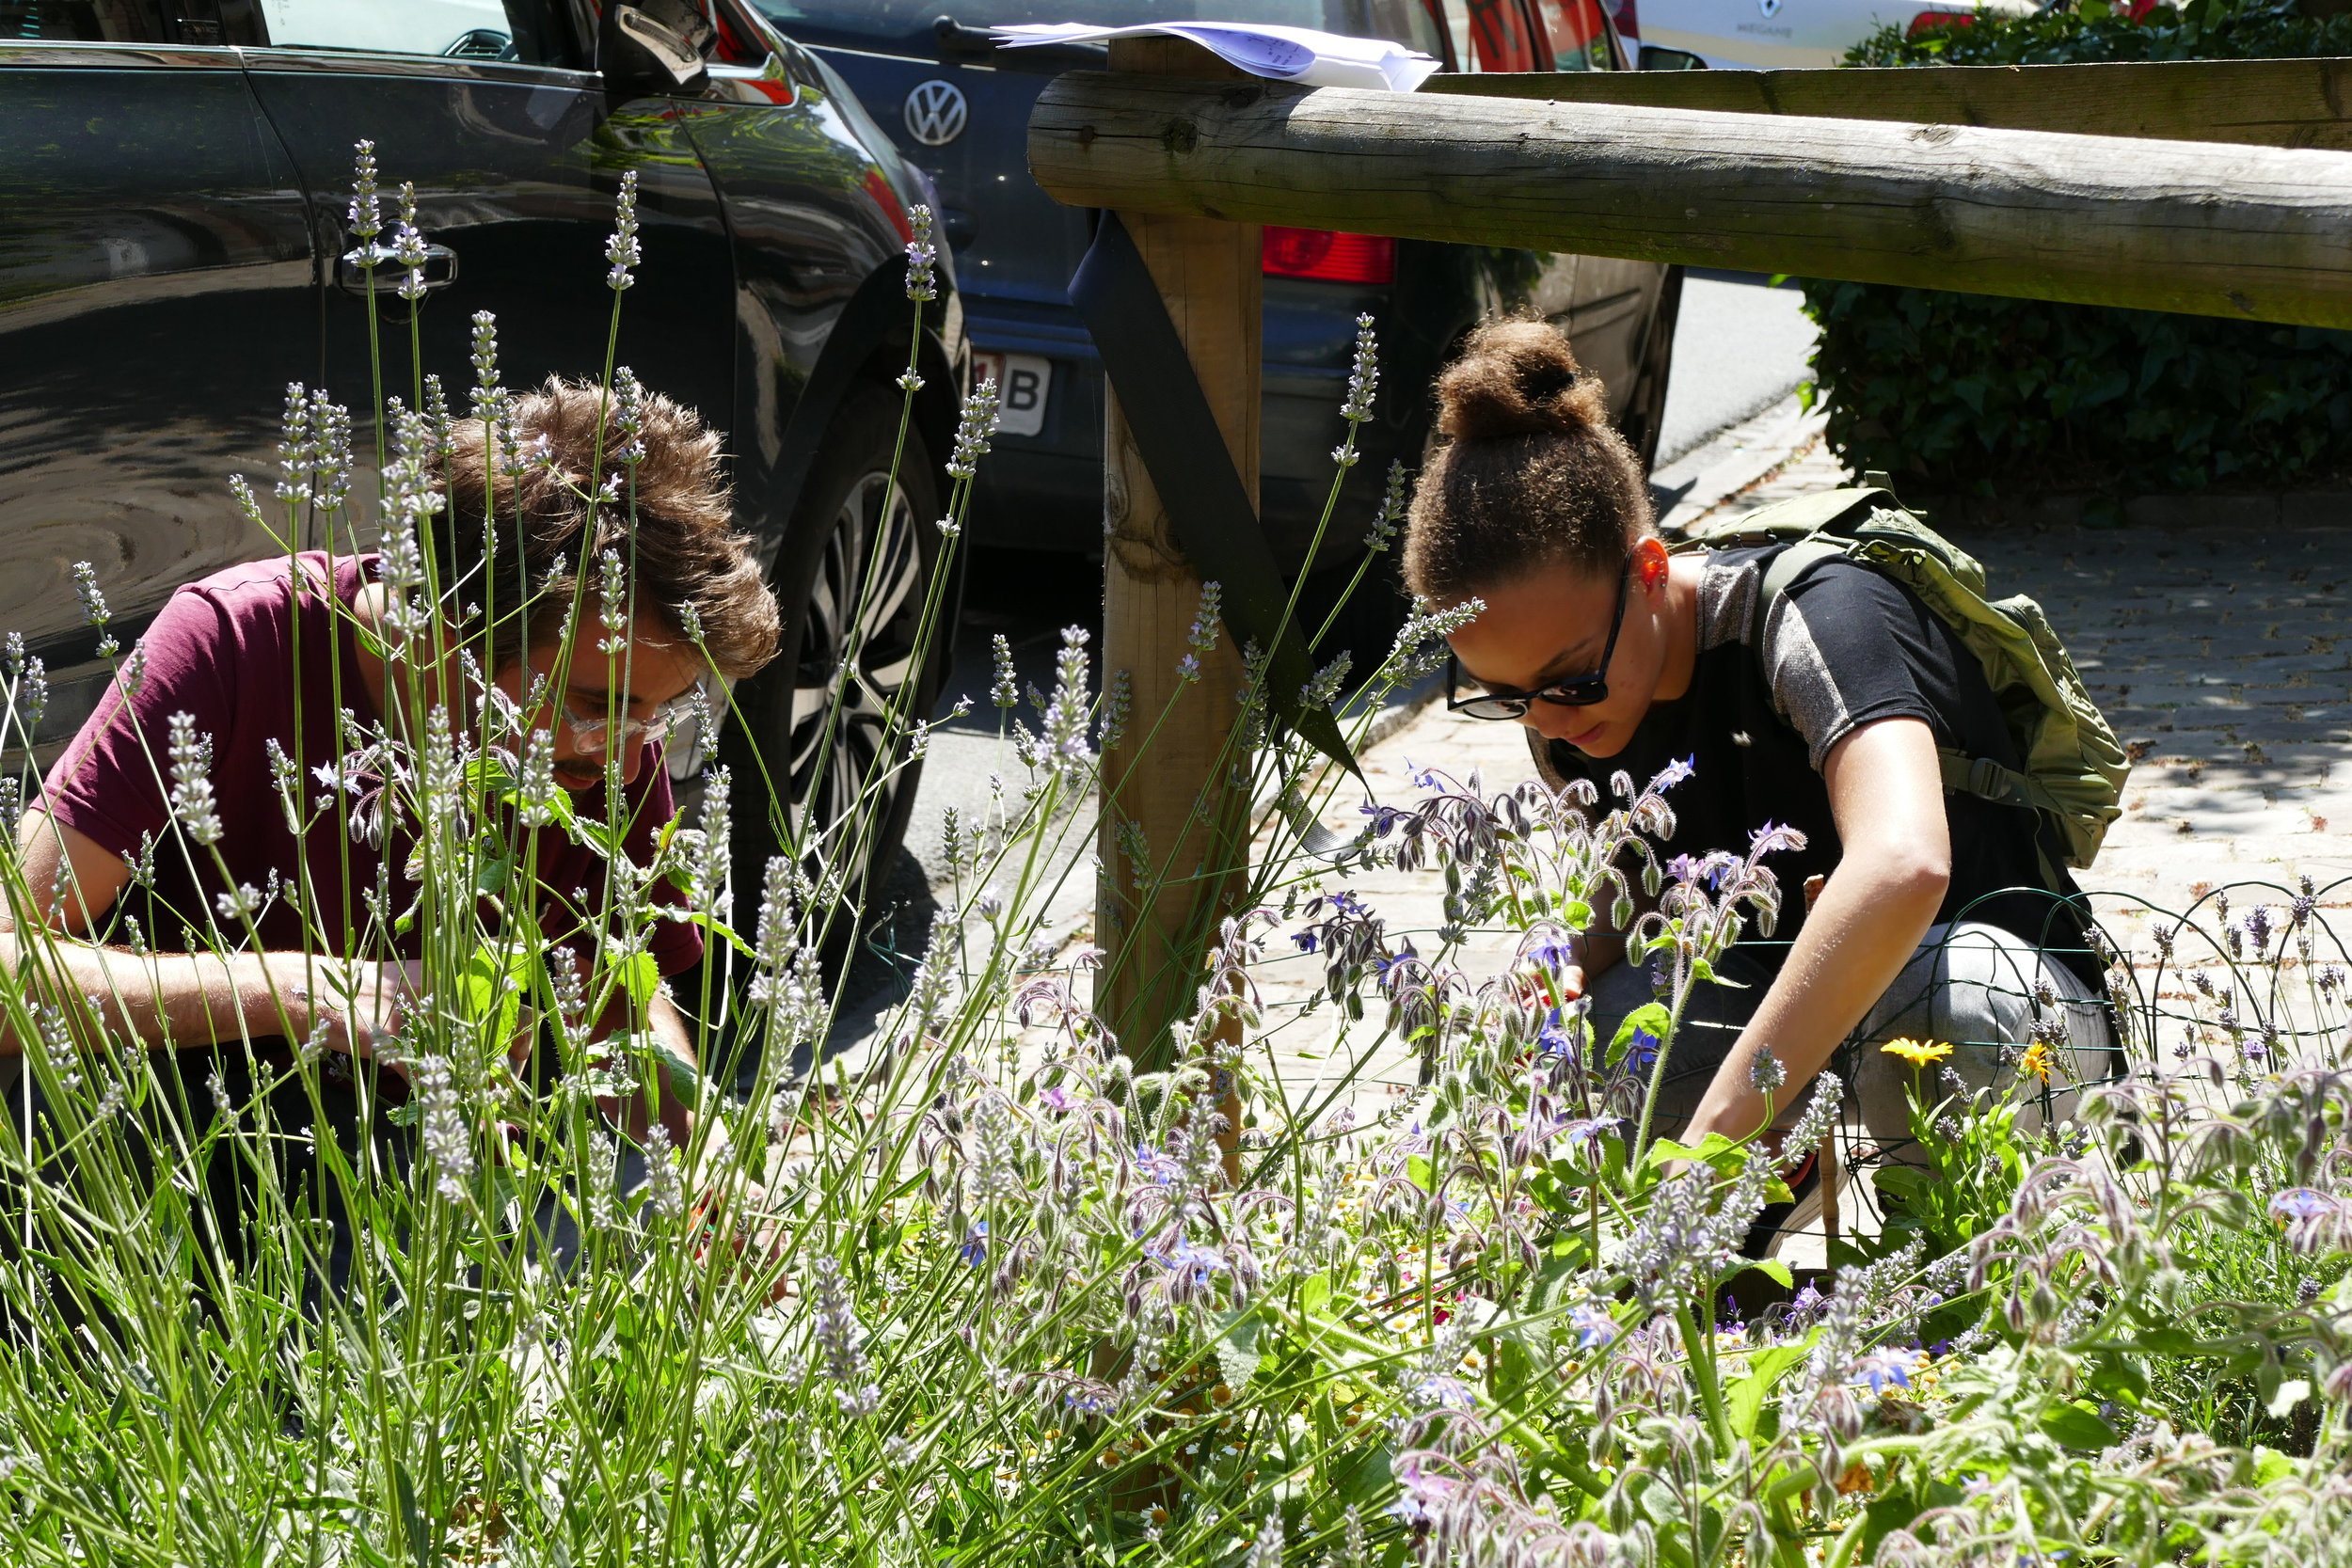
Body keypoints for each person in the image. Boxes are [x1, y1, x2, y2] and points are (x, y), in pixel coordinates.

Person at [2, 376, 780, 1288]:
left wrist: (703, 1152)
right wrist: (305, 991)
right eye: (591, 706)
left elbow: (610, 987)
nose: (623, 749)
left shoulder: (604, 730)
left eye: (662, 713)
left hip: (396, 1156)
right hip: (141, 1139)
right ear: (443, 625)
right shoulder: (234, 641)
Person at [1403, 319, 2112, 1169]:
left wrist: (1714, 1135)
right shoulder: (1572, 715)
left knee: (1943, 1000)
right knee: (1604, 1046)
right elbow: (1631, 904)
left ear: (1652, 569)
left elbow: (1904, 865)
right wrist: (1566, 967)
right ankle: (1720, 1275)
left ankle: (1958, 1279)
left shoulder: (1810, 614)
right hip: (1790, 1009)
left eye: (1569, 678)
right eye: (1506, 696)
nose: (1547, 721)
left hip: (2004, 1003)